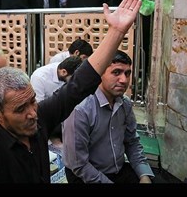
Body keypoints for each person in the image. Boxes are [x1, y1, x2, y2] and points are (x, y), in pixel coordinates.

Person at [0, 0, 141, 183]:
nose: (32, 114)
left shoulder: (40, 118)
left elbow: (79, 85)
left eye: (32, 102)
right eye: (20, 109)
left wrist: (116, 32)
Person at [62, 50, 154, 183]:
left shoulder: (125, 103)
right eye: (116, 72)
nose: (124, 80)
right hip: (84, 176)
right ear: (99, 74)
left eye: (127, 73)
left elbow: (132, 142)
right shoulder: (80, 109)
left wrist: (144, 175)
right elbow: (78, 164)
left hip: (117, 170)